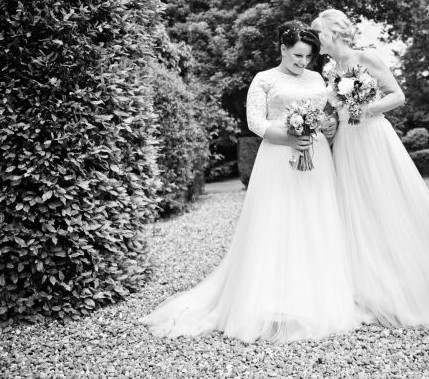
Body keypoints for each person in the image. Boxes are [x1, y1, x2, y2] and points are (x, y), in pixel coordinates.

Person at [140, 21, 361, 342]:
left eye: (308, 57)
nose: (303, 62)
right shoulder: (264, 79)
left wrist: (328, 125)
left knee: (315, 220)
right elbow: (255, 121)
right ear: (282, 49)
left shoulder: (317, 78)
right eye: (297, 55)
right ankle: (271, 298)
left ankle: (315, 294)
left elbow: (329, 112)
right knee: (277, 222)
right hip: (278, 158)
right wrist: (289, 138)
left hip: (316, 159)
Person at [311, 9, 429, 327]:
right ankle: (368, 284)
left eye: (317, 32)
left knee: (386, 203)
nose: (314, 38)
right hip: (347, 143)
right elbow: (335, 109)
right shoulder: (330, 69)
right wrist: (330, 121)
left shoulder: (366, 58)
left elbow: (398, 96)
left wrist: (365, 109)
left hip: (373, 138)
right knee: (357, 207)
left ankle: (409, 283)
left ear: (333, 33)